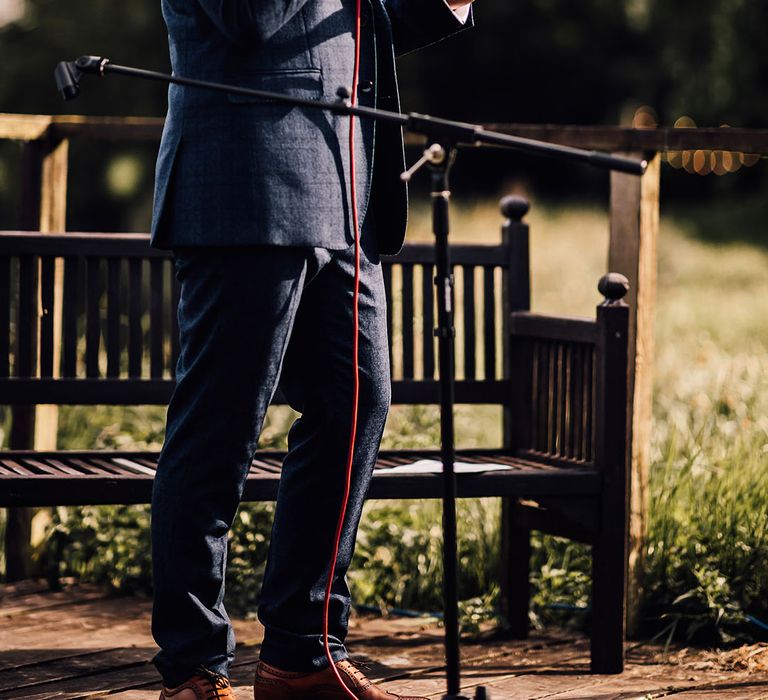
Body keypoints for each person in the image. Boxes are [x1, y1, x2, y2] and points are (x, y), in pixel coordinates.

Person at [149, 0, 474, 698]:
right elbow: (249, 19)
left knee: (357, 403)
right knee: (220, 431)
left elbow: (348, 21)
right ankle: (192, 666)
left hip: (345, 190)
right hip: (246, 187)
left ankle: (301, 652)